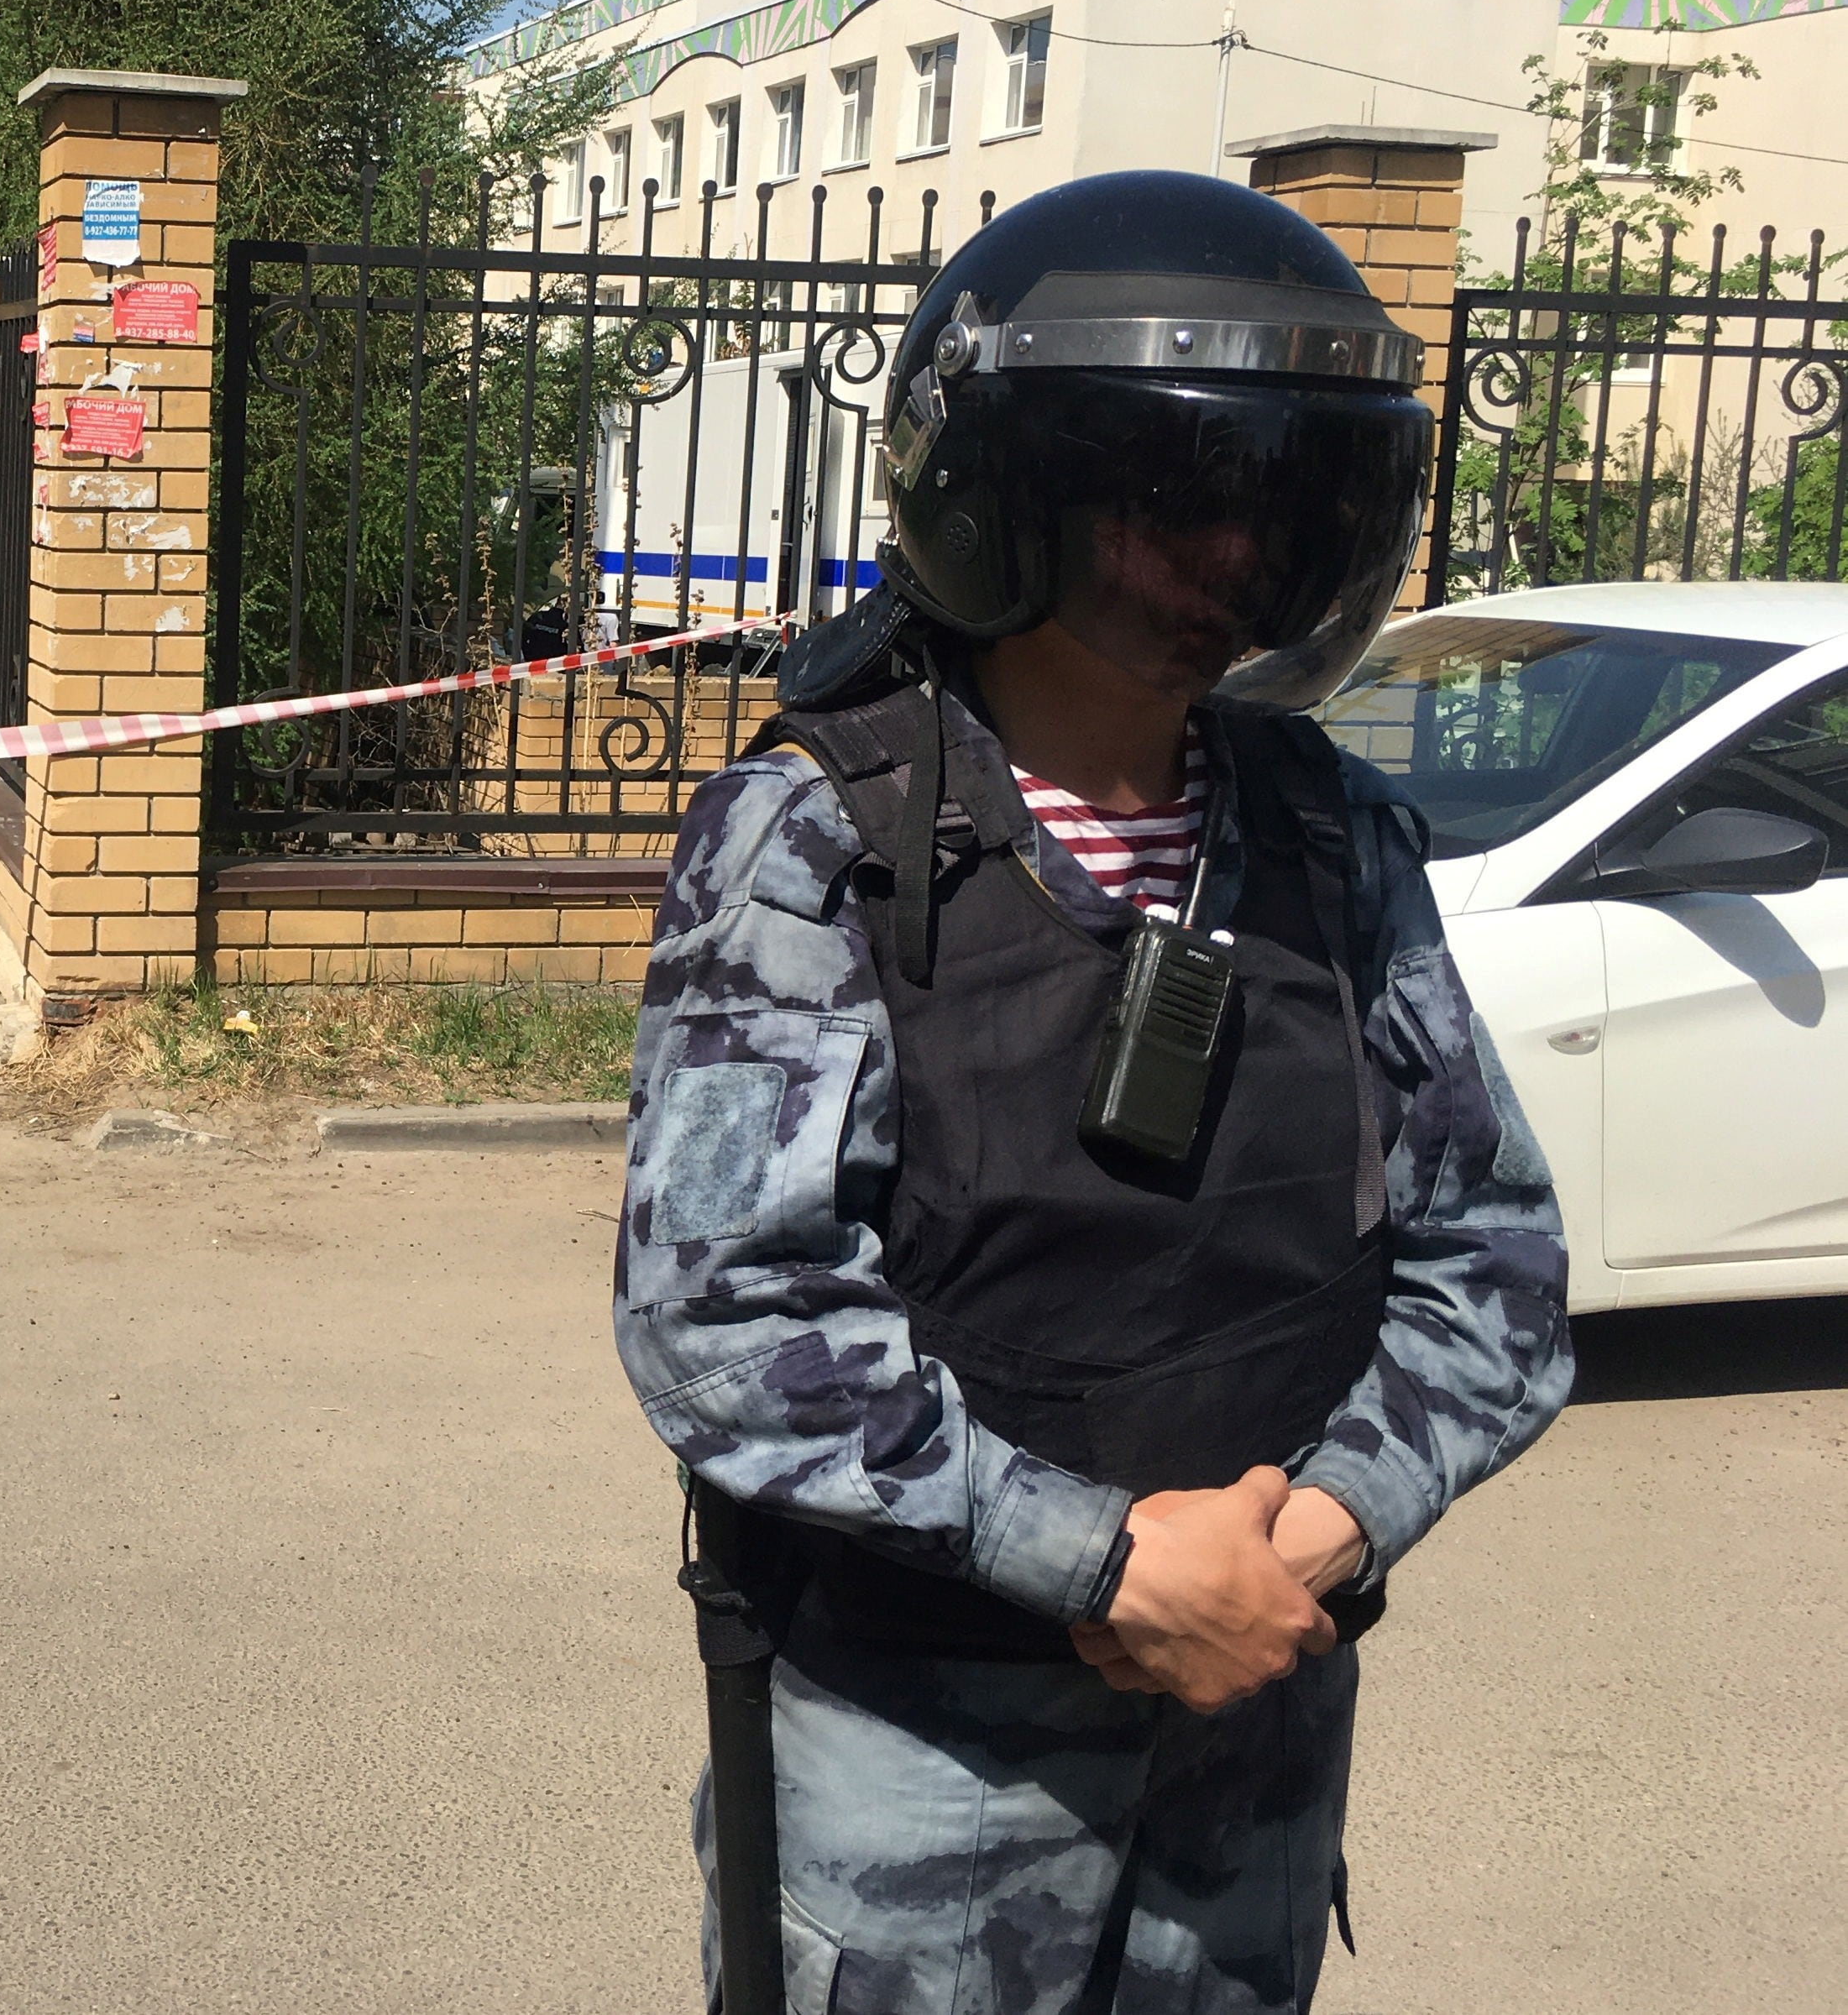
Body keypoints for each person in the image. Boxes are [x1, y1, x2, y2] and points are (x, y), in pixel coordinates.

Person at [619, 171, 1573, 2015]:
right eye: (1169, 501)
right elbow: (726, 1314)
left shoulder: (1328, 832)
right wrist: (1102, 1560)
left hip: (1255, 1725)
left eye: (1275, 506)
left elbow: (1496, 1266)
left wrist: (1307, 1534)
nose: (1230, 558)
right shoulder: (825, 833)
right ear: (1005, 495)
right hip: (927, 1772)